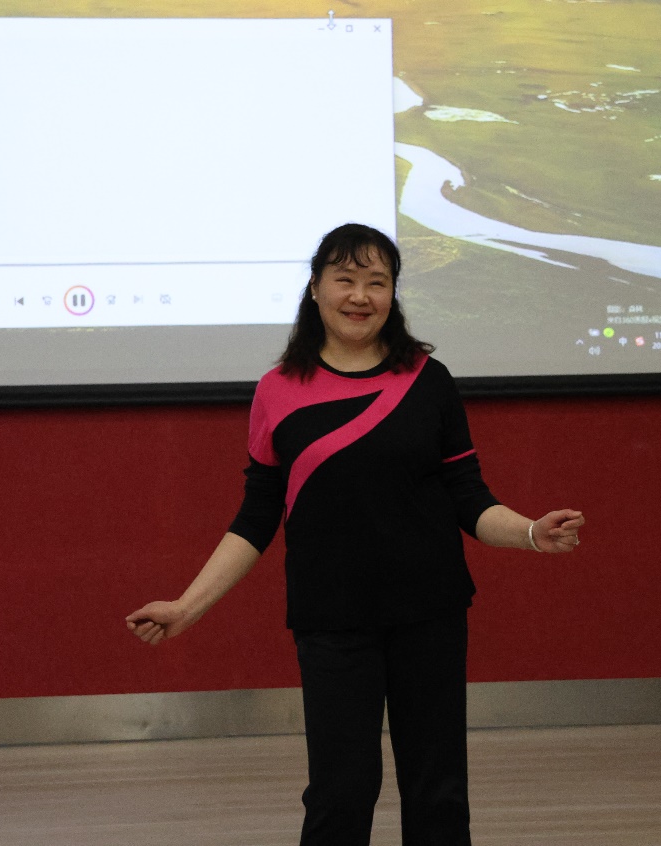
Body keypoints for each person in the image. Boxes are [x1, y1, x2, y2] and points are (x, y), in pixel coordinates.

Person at [126, 222, 584, 846]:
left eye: (378, 282)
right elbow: (256, 519)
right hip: (332, 620)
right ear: (315, 288)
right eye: (345, 279)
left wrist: (531, 532)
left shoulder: (428, 380)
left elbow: (469, 499)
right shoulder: (277, 391)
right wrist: (186, 607)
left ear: (393, 293)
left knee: (438, 790)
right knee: (340, 792)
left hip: (430, 613)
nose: (361, 296)